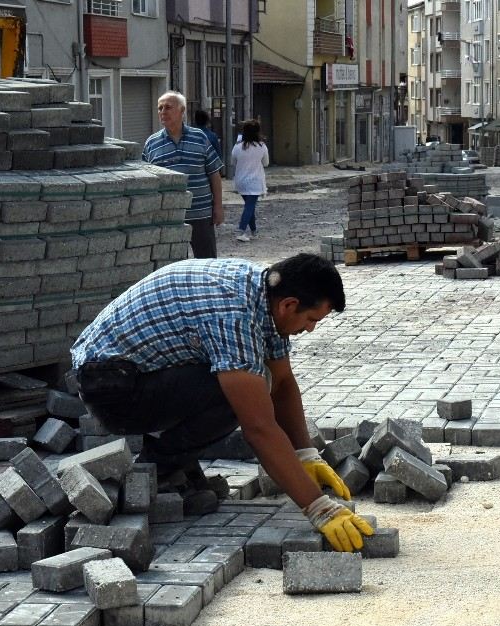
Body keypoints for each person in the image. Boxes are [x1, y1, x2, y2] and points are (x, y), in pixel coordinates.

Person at [70, 253, 374, 551]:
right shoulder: (233, 313)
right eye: (311, 320)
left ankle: (173, 467)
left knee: (255, 380)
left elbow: (282, 383)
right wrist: (319, 508)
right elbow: (259, 427)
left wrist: (306, 454)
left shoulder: (263, 293)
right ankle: (157, 470)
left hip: (136, 371)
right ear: (289, 305)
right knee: (237, 395)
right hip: (109, 386)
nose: (310, 329)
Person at [143, 91, 223, 259]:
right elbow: (148, 183)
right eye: (160, 108)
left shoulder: (199, 137)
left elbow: (214, 173)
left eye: (168, 107)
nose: (163, 112)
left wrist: (218, 206)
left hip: (201, 214)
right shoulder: (151, 143)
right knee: (174, 264)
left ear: (182, 111)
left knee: (206, 262)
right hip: (169, 217)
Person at [230, 119, 269, 243]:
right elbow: (266, 163)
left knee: (249, 206)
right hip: (255, 181)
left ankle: (254, 231)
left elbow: (232, 162)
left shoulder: (237, 146)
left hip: (241, 181)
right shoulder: (262, 146)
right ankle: (241, 231)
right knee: (250, 206)